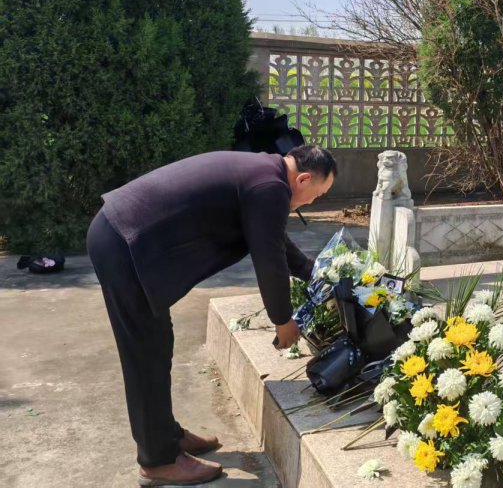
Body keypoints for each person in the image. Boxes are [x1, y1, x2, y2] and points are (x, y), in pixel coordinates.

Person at [87, 144, 336, 486]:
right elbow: (269, 259)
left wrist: (315, 273)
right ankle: (157, 461)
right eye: (317, 195)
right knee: (144, 355)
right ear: (304, 179)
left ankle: (166, 435)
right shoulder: (270, 186)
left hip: (124, 238)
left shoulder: (265, 174)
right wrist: (283, 320)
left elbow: (273, 241)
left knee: (157, 345)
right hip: (123, 243)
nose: (312, 202)